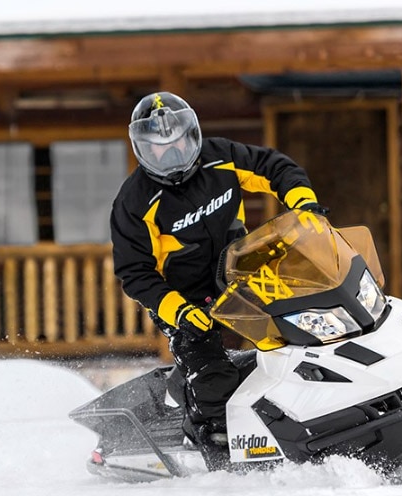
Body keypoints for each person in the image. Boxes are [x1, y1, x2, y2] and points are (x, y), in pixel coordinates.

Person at [109, 91, 326, 459]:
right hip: (182, 298)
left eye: (177, 142)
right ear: (141, 149)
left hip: (238, 270)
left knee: (304, 326)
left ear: (191, 135)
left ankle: (323, 406)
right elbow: (135, 271)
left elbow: (275, 167)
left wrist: (302, 202)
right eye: (159, 148)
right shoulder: (133, 202)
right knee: (214, 378)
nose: (172, 152)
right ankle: (218, 450)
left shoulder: (220, 157)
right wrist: (177, 310)